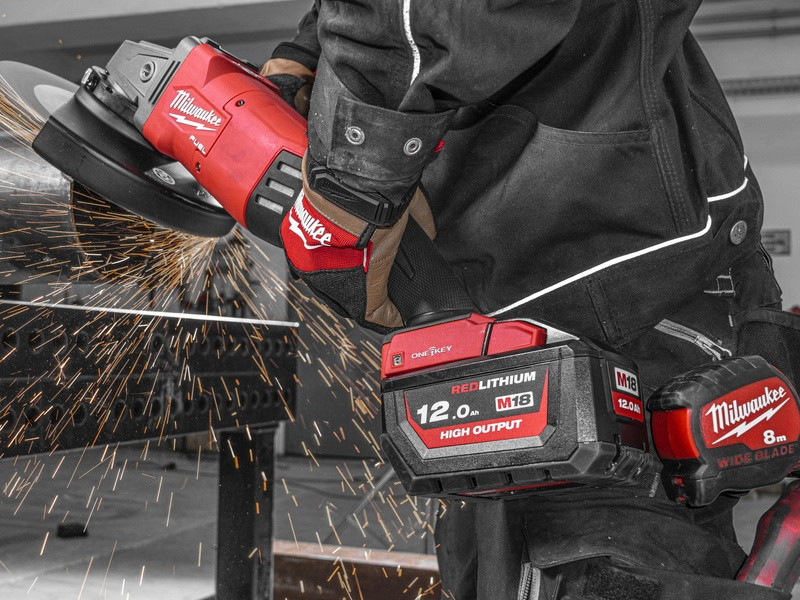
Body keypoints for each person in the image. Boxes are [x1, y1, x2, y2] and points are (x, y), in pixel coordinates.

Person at [261, 2, 795, 598]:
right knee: (520, 546)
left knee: (596, 553)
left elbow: (418, 16)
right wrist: (310, 54)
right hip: (609, 260)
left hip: (591, 272)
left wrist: (355, 169)